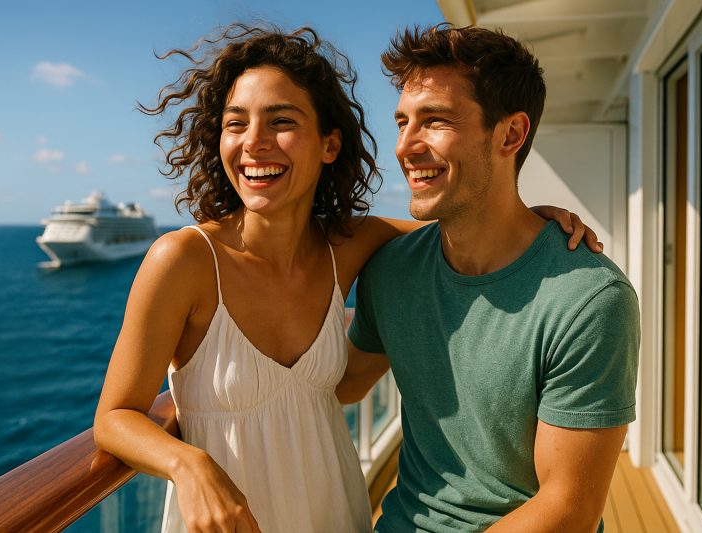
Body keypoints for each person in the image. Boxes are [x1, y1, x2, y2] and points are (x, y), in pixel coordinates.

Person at [93, 23, 600, 533]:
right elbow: (115, 417)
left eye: (281, 121)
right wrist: (188, 466)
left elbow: (469, 224)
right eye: (235, 123)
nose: (254, 143)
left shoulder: (351, 247)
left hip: (338, 516)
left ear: (329, 145)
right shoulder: (182, 259)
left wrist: (535, 217)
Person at [340, 24, 640, 532]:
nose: (405, 146)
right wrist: (197, 398)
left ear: (511, 134)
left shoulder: (588, 298)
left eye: (434, 121)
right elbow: (343, 382)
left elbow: (569, 510)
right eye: (402, 122)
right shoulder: (391, 271)